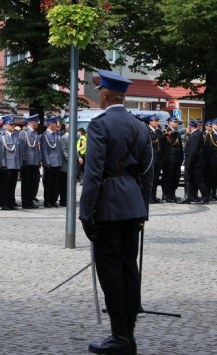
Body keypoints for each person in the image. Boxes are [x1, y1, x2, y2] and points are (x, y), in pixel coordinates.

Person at [79, 70, 154, 355]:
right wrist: (142, 209)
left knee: (109, 270)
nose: (99, 96)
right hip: (133, 205)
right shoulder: (140, 126)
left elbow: (94, 173)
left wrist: (86, 213)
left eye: (100, 92)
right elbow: (148, 172)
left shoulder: (100, 125)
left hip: (109, 206)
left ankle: (119, 336)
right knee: (128, 268)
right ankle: (129, 334)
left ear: (107, 94)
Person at [178, 120, 209, 204]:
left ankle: (204, 196)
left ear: (190, 126)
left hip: (194, 162)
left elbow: (193, 150)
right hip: (194, 161)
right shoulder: (196, 134)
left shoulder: (195, 135)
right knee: (189, 179)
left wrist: (189, 163)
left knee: (196, 180)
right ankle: (189, 196)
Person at [0, 116, 21, 210]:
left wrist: (19, 164)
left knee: (12, 185)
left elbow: (18, 152)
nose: (12, 126)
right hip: (6, 165)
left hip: (14, 164)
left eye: (13, 124)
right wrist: (2, 164)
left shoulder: (15, 136)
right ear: (5, 125)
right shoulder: (1, 137)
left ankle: (11, 202)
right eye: (10, 125)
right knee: (4, 185)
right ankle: (4, 203)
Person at [19, 116, 41, 209]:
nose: (37, 123)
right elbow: (22, 148)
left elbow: (36, 149)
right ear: (32, 122)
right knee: (26, 184)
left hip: (35, 162)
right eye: (36, 121)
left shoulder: (35, 133)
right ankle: (25, 202)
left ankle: (31, 200)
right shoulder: (24, 133)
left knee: (34, 183)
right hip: (27, 162)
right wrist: (23, 160)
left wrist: (39, 160)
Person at [40, 117, 62, 208]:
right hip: (50, 162)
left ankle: (54, 200)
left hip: (57, 162)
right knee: (48, 183)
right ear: (52, 124)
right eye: (55, 124)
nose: (56, 125)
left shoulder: (56, 135)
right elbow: (44, 150)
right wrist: (47, 162)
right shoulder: (45, 136)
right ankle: (47, 201)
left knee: (56, 183)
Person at [161, 117, 183, 202]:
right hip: (169, 159)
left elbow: (179, 146)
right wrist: (164, 160)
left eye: (177, 122)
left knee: (175, 177)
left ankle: (173, 194)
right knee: (168, 177)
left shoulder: (177, 132)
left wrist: (181, 158)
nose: (176, 123)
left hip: (177, 159)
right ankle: (166, 194)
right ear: (169, 122)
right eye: (174, 122)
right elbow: (163, 148)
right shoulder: (166, 132)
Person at [203, 119, 217, 201]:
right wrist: (209, 160)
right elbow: (208, 149)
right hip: (212, 159)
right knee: (210, 177)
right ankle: (209, 193)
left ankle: (214, 193)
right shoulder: (209, 135)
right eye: (216, 125)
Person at [147, 115, 163, 203]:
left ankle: (154, 195)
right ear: (150, 122)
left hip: (158, 158)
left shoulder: (158, 132)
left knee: (156, 178)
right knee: (150, 178)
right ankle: (149, 196)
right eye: (155, 121)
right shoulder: (147, 131)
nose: (157, 122)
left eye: (157, 121)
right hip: (151, 158)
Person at [59, 123, 69, 208]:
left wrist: (79, 157)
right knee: (64, 184)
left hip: (71, 166)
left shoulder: (71, 137)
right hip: (65, 165)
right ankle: (63, 200)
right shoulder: (64, 138)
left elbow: (75, 149)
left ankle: (68, 199)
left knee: (69, 184)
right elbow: (64, 151)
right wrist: (71, 160)